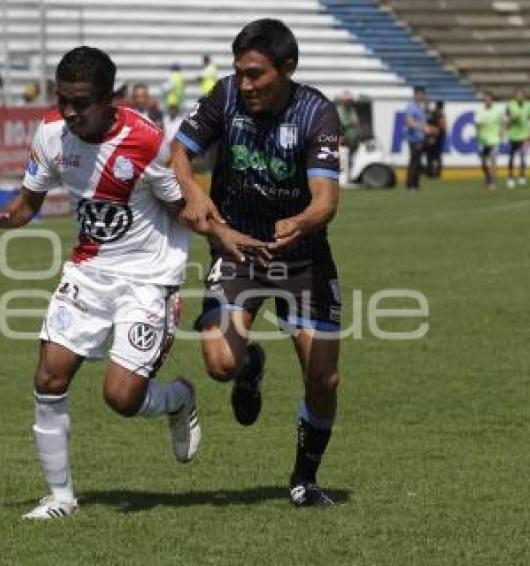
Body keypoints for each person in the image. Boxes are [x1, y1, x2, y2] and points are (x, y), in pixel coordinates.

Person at [0, 46, 248, 520]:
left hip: (147, 281)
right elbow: (29, 201)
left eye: (80, 102)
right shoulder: (51, 135)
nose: (69, 111)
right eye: (62, 99)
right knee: (48, 377)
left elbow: (181, 207)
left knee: (122, 398)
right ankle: (60, 497)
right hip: (88, 272)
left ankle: (177, 398)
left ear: (110, 99)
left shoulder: (145, 142)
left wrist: (218, 236)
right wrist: (5, 217)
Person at [171, 18, 343, 507]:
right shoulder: (224, 96)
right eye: (240, 73)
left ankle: (304, 480)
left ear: (287, 68)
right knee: (221, 364)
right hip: (237, 250)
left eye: (255, 74)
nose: (245, 84)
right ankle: (250, 366)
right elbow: (179, 151)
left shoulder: (316, 113)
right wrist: (193, 194)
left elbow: (326, 199)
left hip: (304, 258)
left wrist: (302, 222)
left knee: (324, 380)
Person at [475, 90, 501, 191]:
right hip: (482, 140)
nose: (487, 100)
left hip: (494, 139)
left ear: (492, 100)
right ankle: (488, 178)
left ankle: (493, 182)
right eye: (485, 99)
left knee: (493, 161)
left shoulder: (497, 110)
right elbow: (476, 123)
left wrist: (501, 132)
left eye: (489, 98)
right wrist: (478, 130)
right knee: (483, 163)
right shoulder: (480, 111)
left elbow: (503, 121)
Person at [404, 86, 428, 191]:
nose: (423, 96)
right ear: (416, 95)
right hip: (414, 138)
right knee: (413, 162)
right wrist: (422, 127)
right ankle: (410, 185)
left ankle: (416, 185)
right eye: (421, 94)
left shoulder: (420, 107)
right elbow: (409, 123)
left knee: (418, 163)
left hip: (420, 138)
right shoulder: (411, 107)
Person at [504, 87, 529, 188]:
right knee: (511, 156)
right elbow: (506, 121)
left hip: (524, 135)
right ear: (515, 96)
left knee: (523, 156)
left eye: (521, 95)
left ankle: (522, 176)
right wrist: (512, 119)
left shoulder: (528, 105)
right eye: (518, 95)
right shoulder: (510, 105)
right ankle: (510, 177)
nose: (519, 96)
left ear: (524, 96)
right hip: (513, 135)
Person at [336, 91, 360, 167]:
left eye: (350, 100)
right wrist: (341, 136)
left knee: (351, 159)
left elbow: (356, 122)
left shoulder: (351, 110)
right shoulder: (339, 110)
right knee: (343, 159)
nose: (349, 102)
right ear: (342, 101)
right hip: (344, 140)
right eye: (347, 100)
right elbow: (340, 125)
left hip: (353, 140)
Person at [424, 100, 446, 179]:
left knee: (435, 157)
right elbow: (427, 124)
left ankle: (435, 174)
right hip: (432, 138)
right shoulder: (437, 115)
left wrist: (436, 129)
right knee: (431, 156)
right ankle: (432, 173)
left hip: (437, 139)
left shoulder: (440, 115)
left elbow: (443, 128)